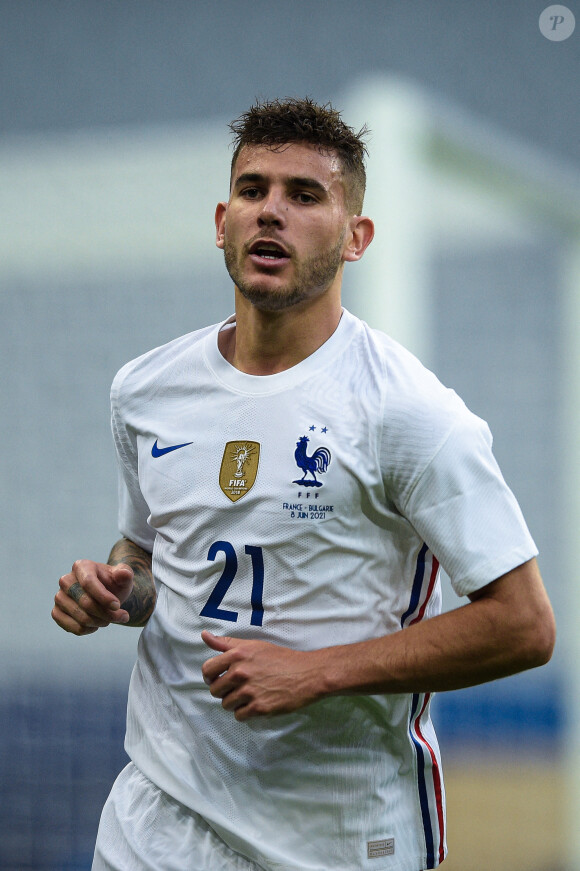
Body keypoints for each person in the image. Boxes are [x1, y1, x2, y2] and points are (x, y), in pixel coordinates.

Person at [52, 97, 555, 871]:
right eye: (253, 191)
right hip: (159, 821)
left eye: (304, 195)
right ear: (222, 219)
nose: (271, 213)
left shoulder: (409, 411)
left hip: (337, 833)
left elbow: (524, 625)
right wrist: (119, 590)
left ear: (357, 238)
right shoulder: (145, 389)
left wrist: (318, 670)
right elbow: (148, 557)